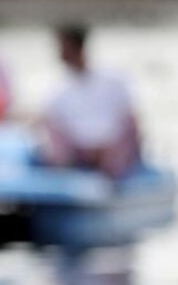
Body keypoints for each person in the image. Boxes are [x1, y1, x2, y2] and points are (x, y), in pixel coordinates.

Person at [40, 23, 142, 178]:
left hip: (114, 153)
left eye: (62, 46)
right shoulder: (57, 92)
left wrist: (111, 150)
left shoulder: (114, 80)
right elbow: (55, 130)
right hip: (78, 155)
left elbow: (130, 120)